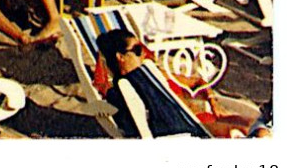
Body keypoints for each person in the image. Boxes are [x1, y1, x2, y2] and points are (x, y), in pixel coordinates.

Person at [95, 28, 254, 138]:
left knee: (250, 125)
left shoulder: (155, 75)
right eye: (137, 50)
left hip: (194, 118)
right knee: (243, 130)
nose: (143, 54)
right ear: (120, 57)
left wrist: (214, 103)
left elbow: (198, 81)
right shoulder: (123, 90)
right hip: (189, 127)